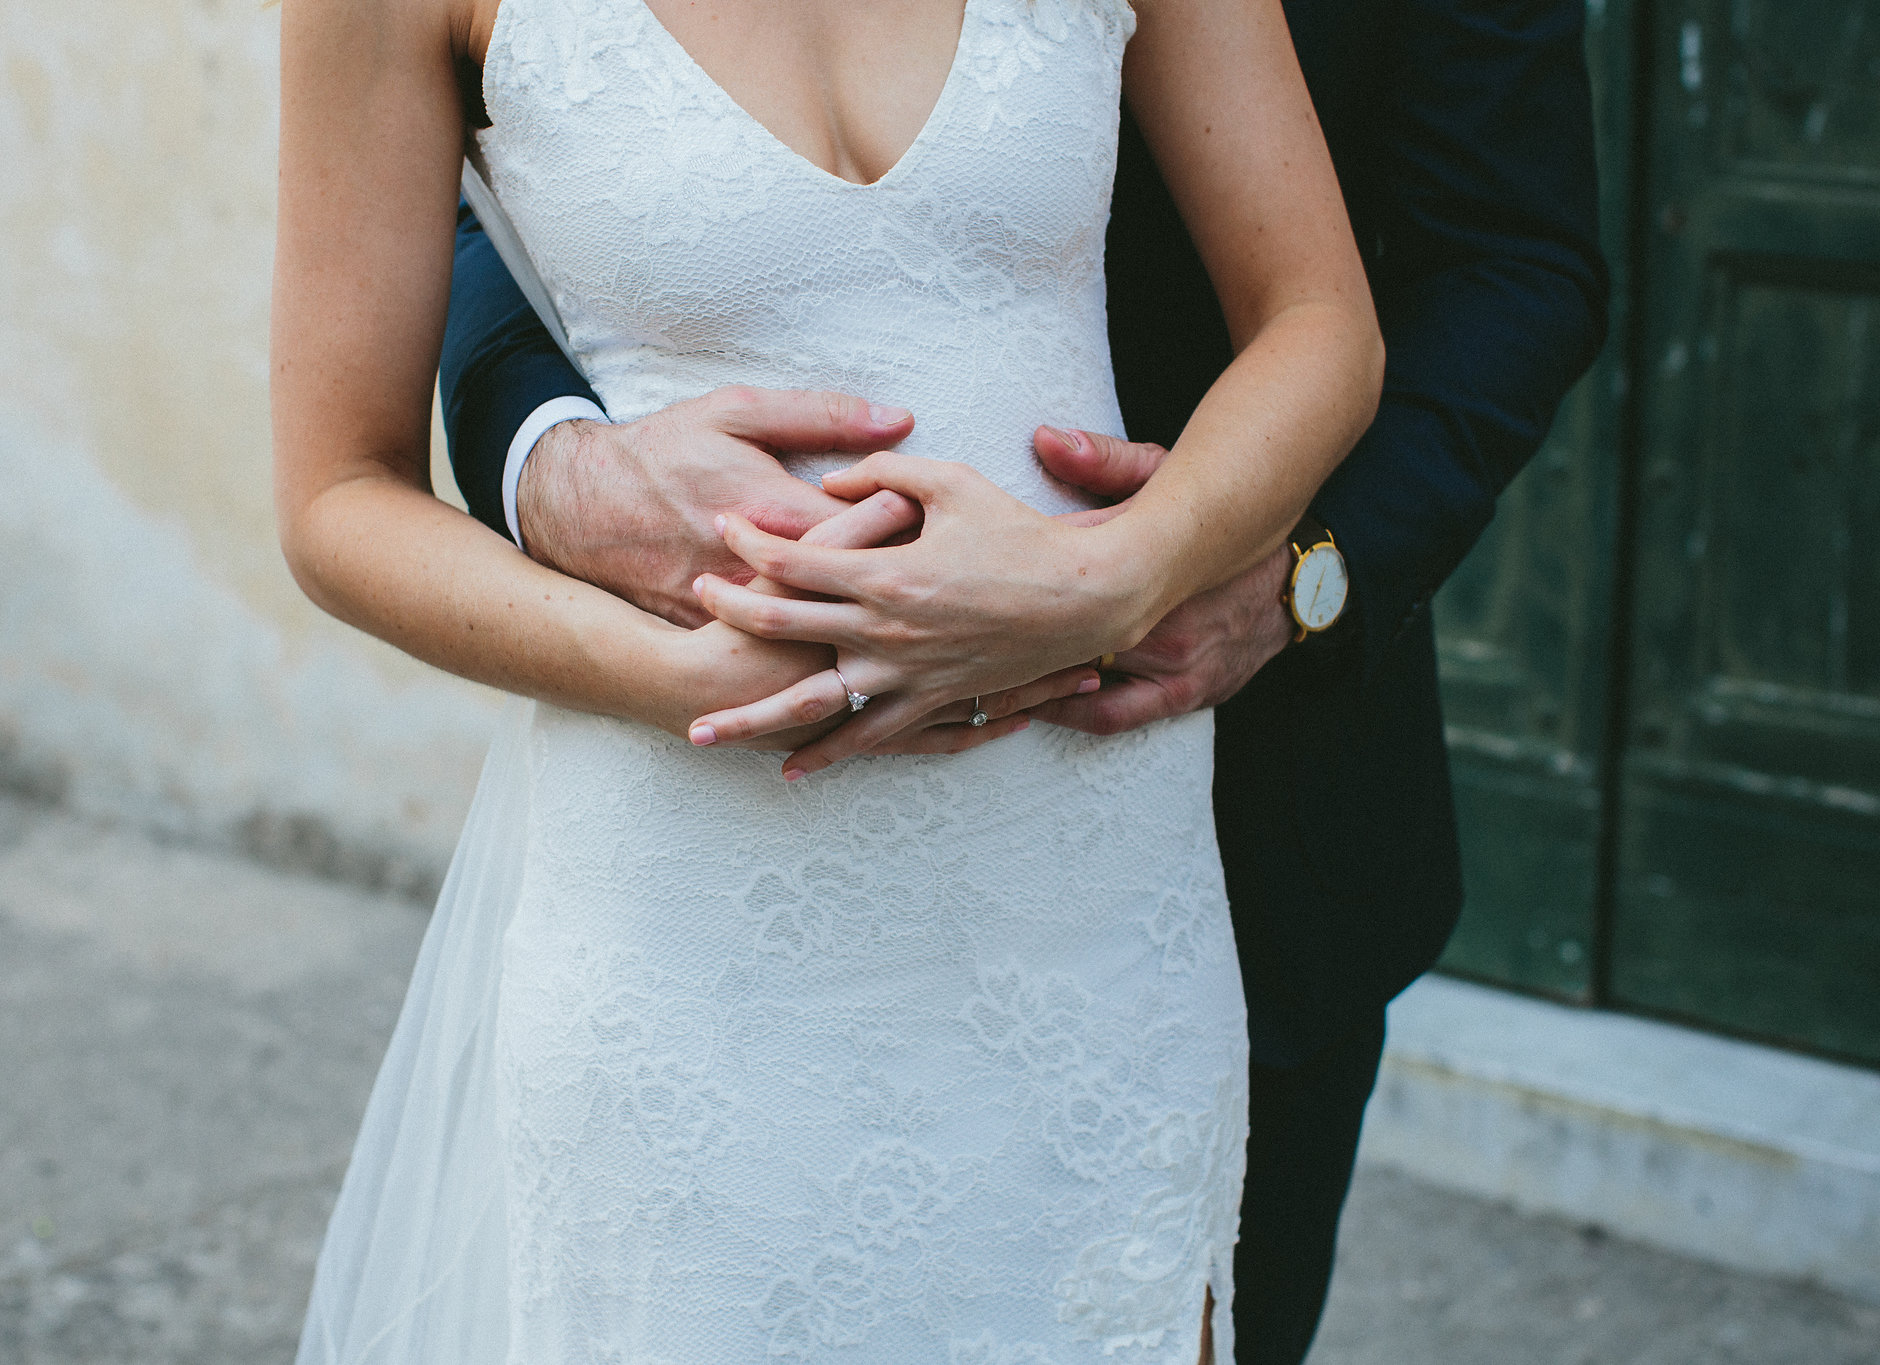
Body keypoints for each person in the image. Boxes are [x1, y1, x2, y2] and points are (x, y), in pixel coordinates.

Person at [432, 1, 1607, 1362]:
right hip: (727, 827)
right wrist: (552, 457)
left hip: (1211, 795)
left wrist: (1279, 580)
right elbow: (488, 167)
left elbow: (1513, 261)